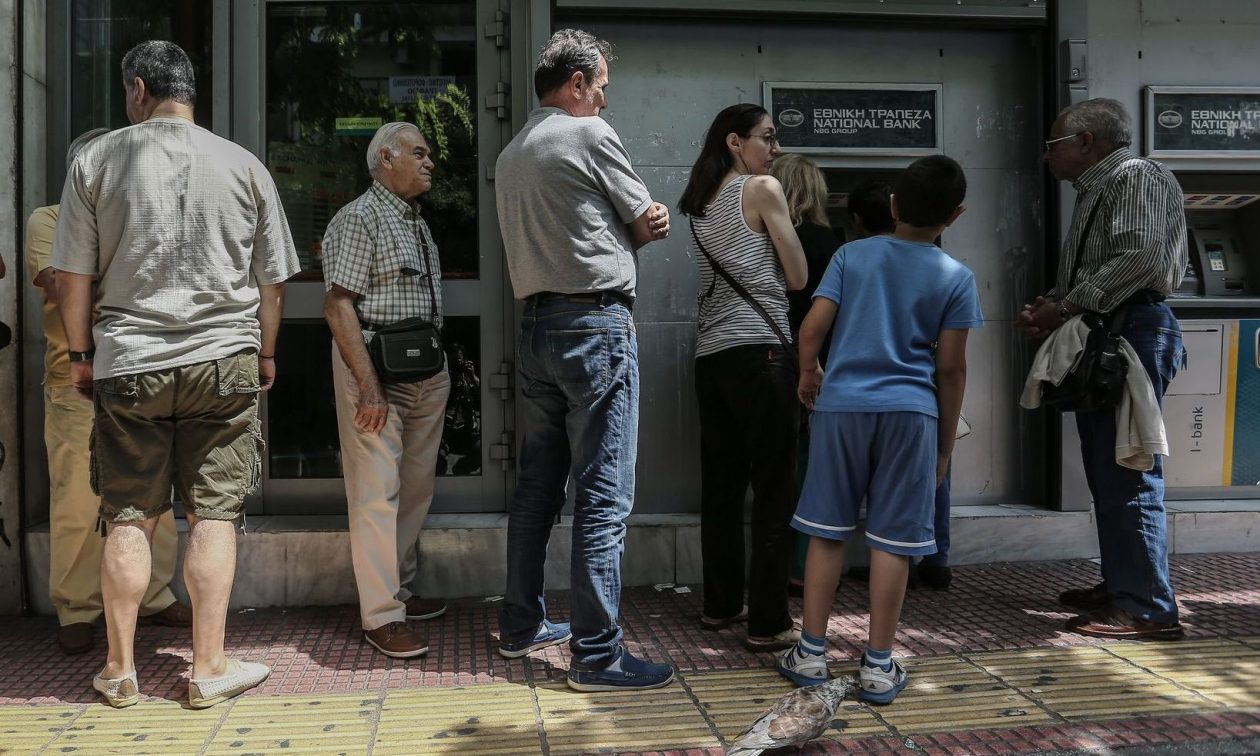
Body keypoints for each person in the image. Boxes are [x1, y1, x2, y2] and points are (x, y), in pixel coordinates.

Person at [53, 40, 299, 709]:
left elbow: (71, 273)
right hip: (224, 361)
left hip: (129, 359)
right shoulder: (244, 164)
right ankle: (208, 667)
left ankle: (120, 668)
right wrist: (266, 352)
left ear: (137, 88)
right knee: (213, 513)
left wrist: (81, 356)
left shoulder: (96, 160)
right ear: (190, 92)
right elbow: (274, 280)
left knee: (128, 515)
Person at [495, 28, 674, 692]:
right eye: (599, 87)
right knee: (603, 495)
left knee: (538, 489)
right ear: (575, 84)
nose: (602, 100)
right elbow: (640, 220)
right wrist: (649, 222)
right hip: (594, 325)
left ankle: (519, 627)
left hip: (536, 325)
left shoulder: (513, 153)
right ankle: (598, 654)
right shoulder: (590, 135)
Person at [777, 155, 982, 706]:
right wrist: (942, 445)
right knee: (893, 540)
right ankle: (877, 664)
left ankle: (812, 651)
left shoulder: (851, 255)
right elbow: (952, 369)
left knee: (826, 529)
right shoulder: (957, 278)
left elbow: (812, 329)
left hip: (842, 408)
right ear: (955, 215)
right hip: (912, 413)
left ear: (892, 205)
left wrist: (808, 374)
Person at [1017, 98, 1186, 641]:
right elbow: (1111, 264)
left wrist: (1065, 307)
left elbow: (1141, 258)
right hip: (1115, 327)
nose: (1047, 156)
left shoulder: (1135, 176)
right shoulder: (1102, 187)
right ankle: (1124, 585)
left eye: (1053, 145)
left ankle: (1146, 606)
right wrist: (1056, 302)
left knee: (1127, 467)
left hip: (1129, 330)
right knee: (1110, 468)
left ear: (1085, 141)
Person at [25, 128, 191, 656]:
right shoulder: (48, 219)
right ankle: (77, 607)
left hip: (141, 371)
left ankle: (155, 595)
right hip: (75, 380)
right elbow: (59, 283)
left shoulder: (133, 215)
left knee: (154, 494)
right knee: (77, 497)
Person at [678, 104, 807, 651]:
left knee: (724, 487)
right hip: (763, 353)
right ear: (736, 142)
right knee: (775, 488)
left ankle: (721, 605)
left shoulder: (701, 201)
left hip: (713, 354)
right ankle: (769, 620)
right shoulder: (761, 189)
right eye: (767, 138)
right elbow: (798, 276)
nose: (773, 150)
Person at [321, 122, 451, 659]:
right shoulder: (358, 218)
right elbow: (338, 306)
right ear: (386, 158)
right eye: (418, 153)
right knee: (376, 494)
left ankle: (396, 589)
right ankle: (380, 615)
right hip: (374, 375)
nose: (429, 163)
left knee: (415, 490)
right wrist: (369, 388)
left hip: (424, 373)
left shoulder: (416, 223)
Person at [844, 179, 956, 591]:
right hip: (924, 382)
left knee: (884, 474)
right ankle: (936, 556)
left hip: (868, 388)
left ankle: (897, 560)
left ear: (855, 219)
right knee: (936, 468)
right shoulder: (934, 259)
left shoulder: (854, 258)